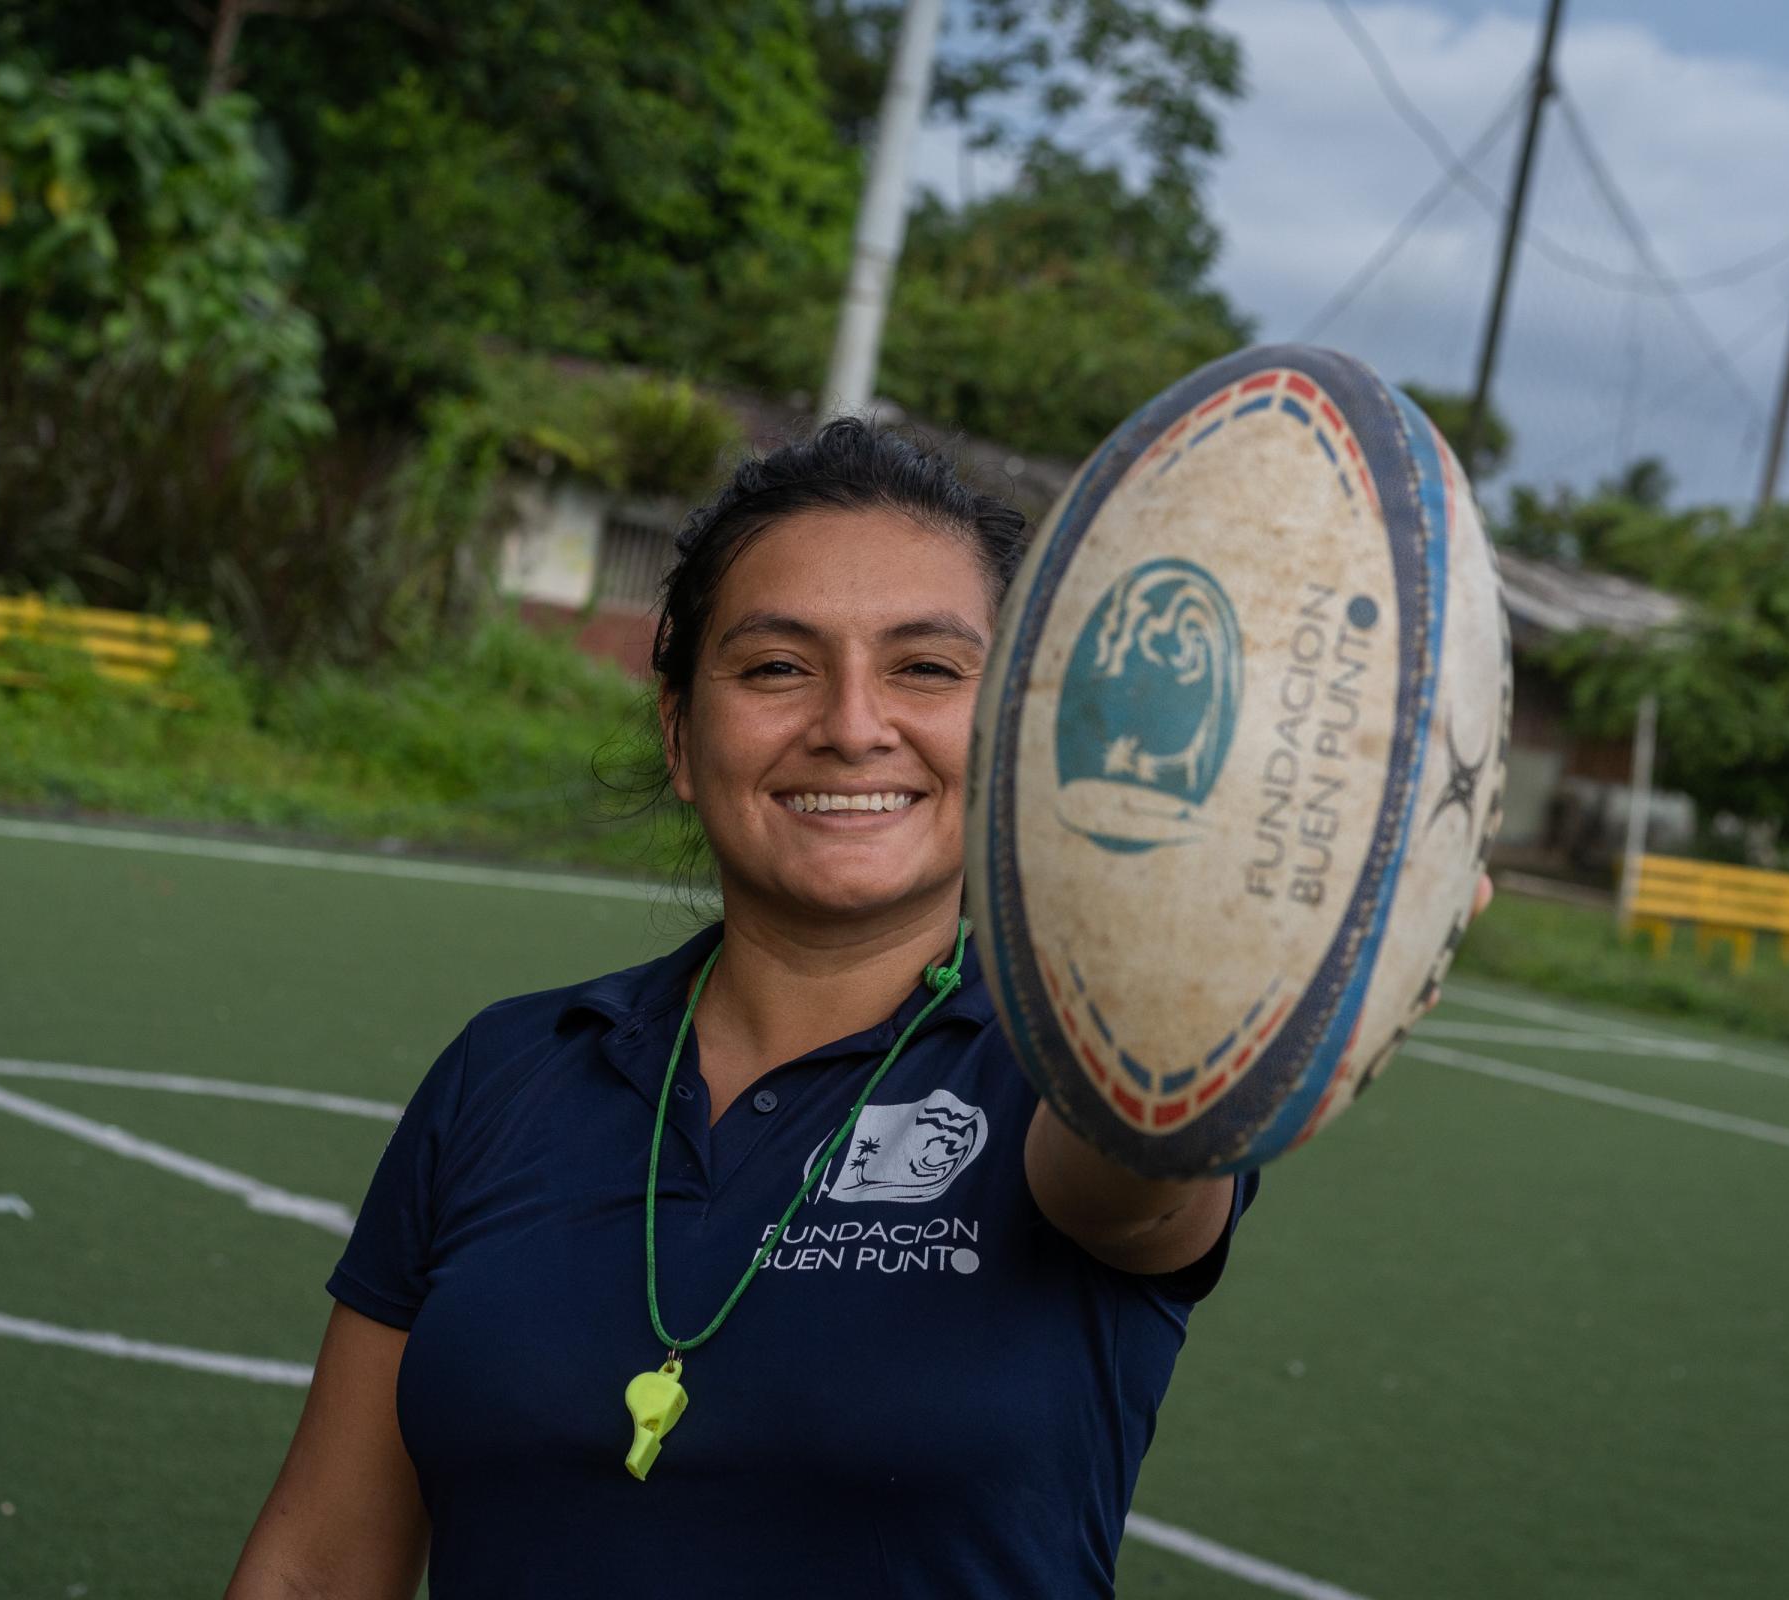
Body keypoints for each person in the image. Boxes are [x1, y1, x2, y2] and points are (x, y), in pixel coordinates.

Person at [225, 420, 1483, 1598]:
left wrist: (1251, 947)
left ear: (1012, 735)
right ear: (680, 730)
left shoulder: (1070, 1072)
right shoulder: (507, 1069)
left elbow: (1136, 1172)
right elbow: (319, 1565)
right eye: (777, 666)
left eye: (926, 668)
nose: (851, 725)